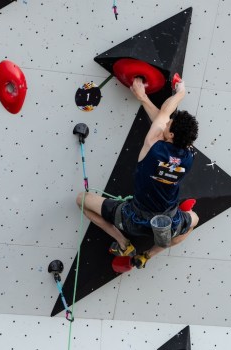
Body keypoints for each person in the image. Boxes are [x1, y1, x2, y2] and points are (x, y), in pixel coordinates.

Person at [76, 77, 199, 268]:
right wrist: (144, 99)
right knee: (194, 219)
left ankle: (124, 244)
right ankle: (147, 255)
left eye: (169, 126)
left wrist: (180, 92)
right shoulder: (190, 154)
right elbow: (162, 118)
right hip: (169, 221)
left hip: (134, 218)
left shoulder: (153, 145)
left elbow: (165, 113)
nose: (166, 124)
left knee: (82, 200)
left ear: (171, 135)